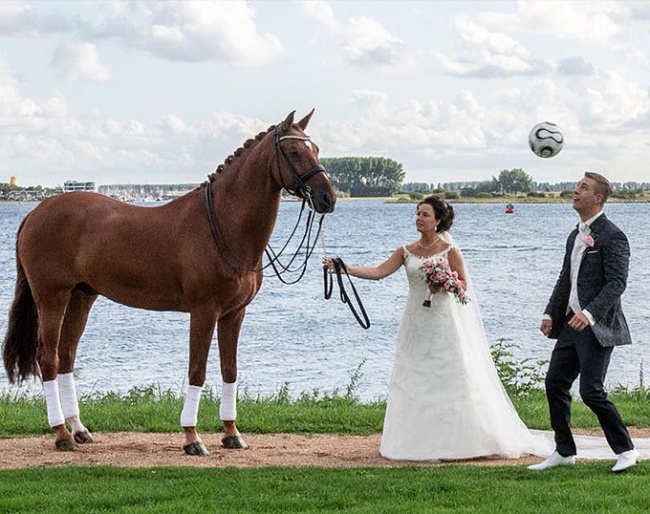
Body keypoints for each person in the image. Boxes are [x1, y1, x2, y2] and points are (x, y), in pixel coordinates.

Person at [325, 195, 551, 461]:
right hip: (415, 320)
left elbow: (463, 285)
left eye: (425, 215)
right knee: (414, 376)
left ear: (438, 221)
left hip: (444, 321)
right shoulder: (405, 250)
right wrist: (344, 269)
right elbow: (378, 271)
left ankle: (462, 440)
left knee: (448, 375)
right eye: (418, 213)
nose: (419, 219)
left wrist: (444, 284)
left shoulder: (449, 250)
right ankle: (416, 441)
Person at [528, 172, 639, 473]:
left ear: (598, 198)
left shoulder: (613, 236)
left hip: (597, 326)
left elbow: (617, 283)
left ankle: (627, 450)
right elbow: (566, 279)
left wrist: (588, 314)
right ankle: (564, 451)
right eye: (577, 186)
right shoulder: (574, 235)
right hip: (569, 325)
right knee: (554, 383)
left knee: (591, 391)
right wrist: (551, 312)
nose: (575, 191)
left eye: (583, 188)